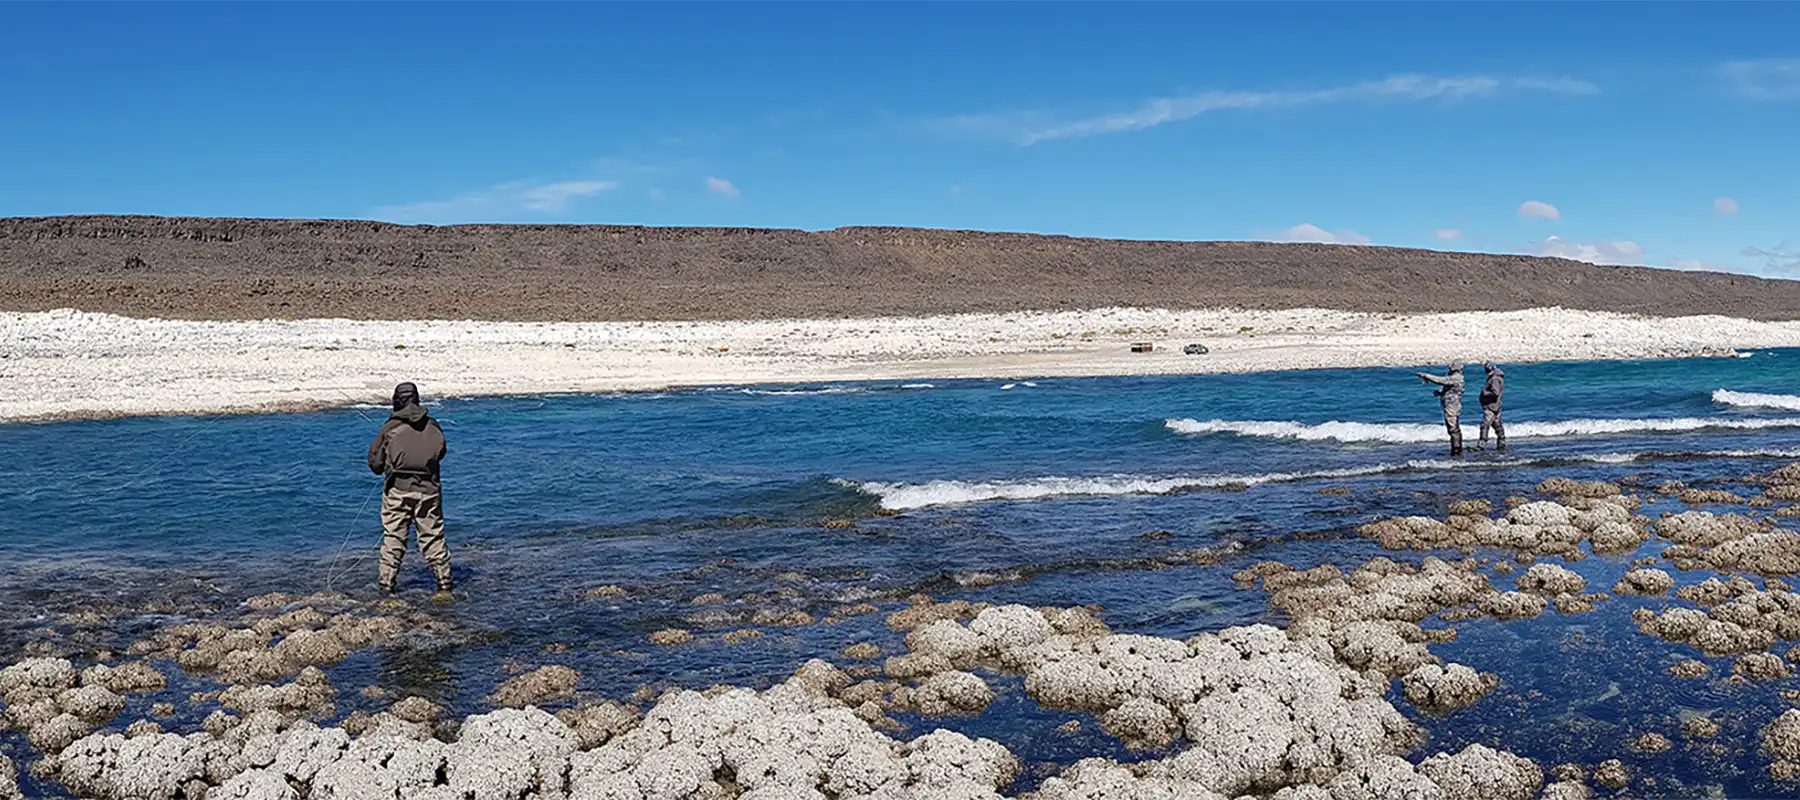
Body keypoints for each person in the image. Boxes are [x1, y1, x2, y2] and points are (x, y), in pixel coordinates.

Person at [366, 382, 452, 595]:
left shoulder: (389, 428)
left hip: (398, 492)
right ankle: (444, 584)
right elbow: (441, 453)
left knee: (394, 539)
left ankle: (386, 587)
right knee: (433, 537)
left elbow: (375, 465)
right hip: (429, 491)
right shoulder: (433, 425)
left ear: (397, 401)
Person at [1415, 364, 1465, 455]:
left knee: (1453, 429)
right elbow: (1452, 390)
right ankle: (1457, 449)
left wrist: (1425, 375)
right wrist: (1441, 393)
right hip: (1451, 406)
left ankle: (1456, 450)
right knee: (1453, 428)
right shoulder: (1454, 378)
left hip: (1452, 407)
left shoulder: (1456, 378)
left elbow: (1440, 380)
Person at [1478, 361, 1506, 451]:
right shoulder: (1497, 378)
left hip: (1491, 406)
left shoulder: (1494, 379)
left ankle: (1481, 445)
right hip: (1495, 405)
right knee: (1497, 425)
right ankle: (1501, 444)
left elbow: (1495, 393)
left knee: (1485, 424)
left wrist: (1484, 393)